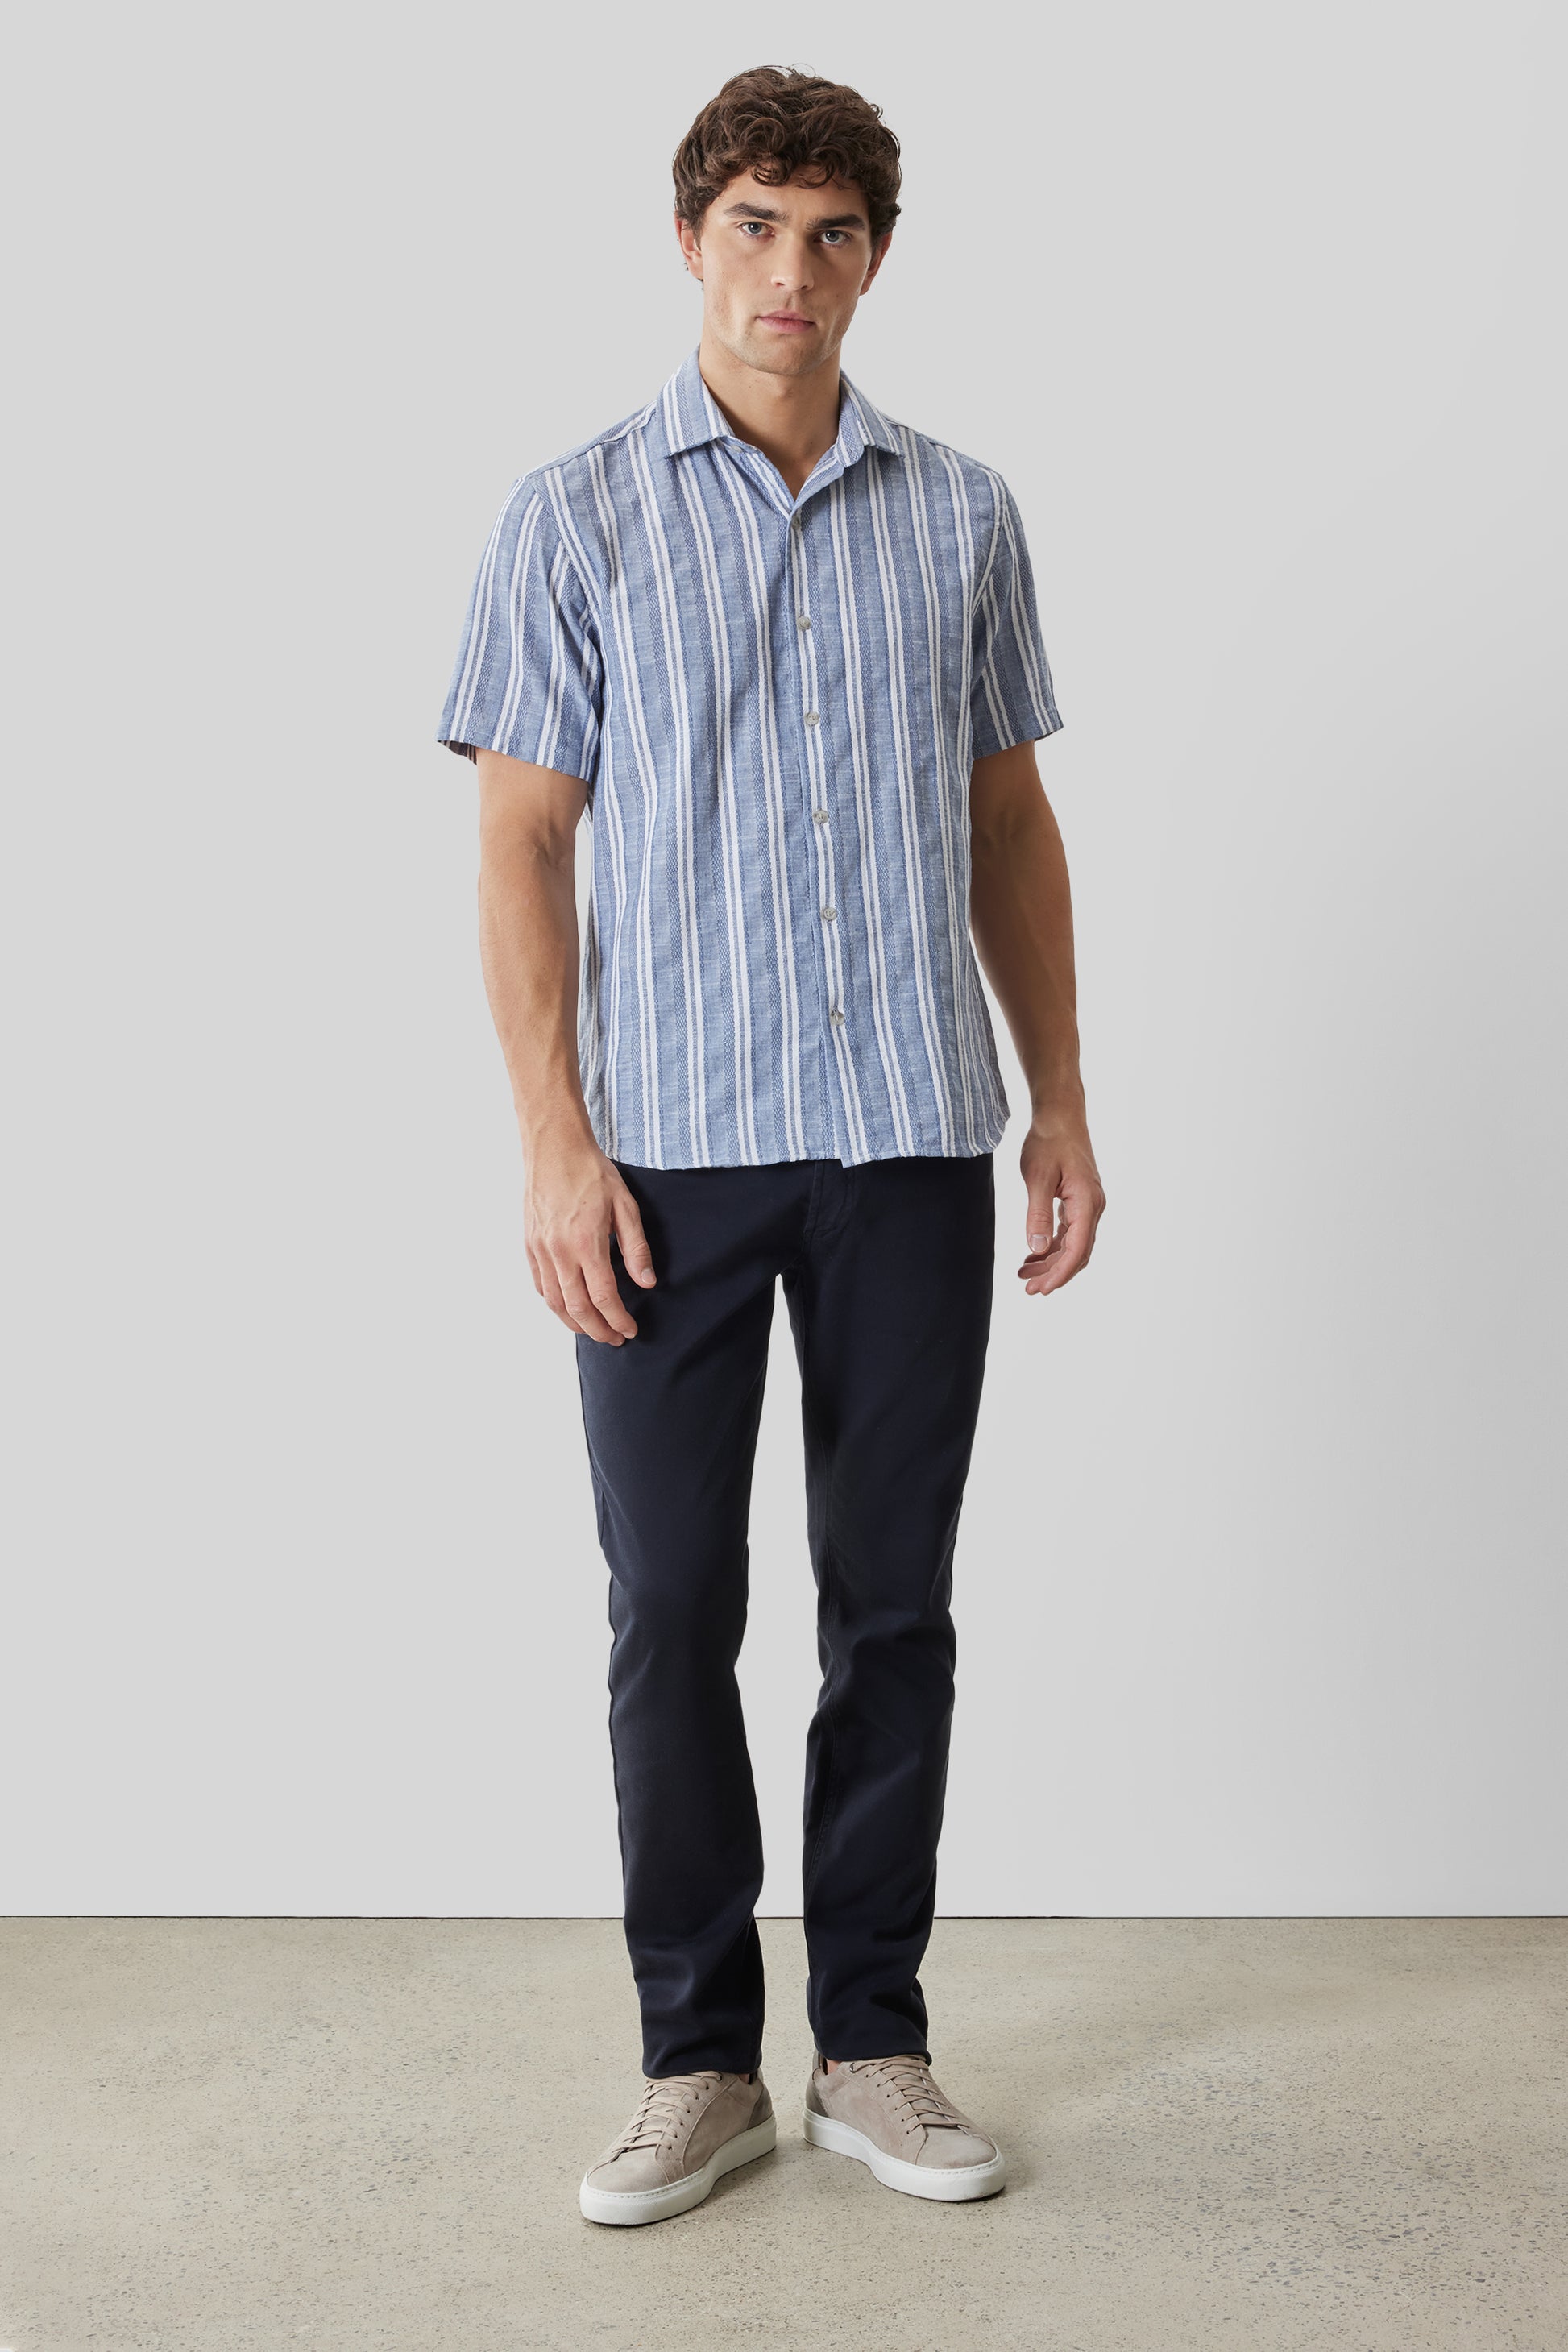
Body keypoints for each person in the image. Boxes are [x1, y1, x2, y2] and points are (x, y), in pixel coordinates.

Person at [437, 64, 1105, 2226]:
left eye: (830, 233)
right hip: (665, 1159)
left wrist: (1061, 1096)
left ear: (875, 259)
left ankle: (873, 2045)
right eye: (752, 226)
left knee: (890, 1605)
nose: (788, 273)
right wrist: (553, 1143)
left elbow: (1009, 819)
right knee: (669, 1609)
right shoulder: (572, 515)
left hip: (908, 1135)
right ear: (688, 241)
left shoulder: (963, 512)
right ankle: (696, 2061)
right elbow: (521, 845)